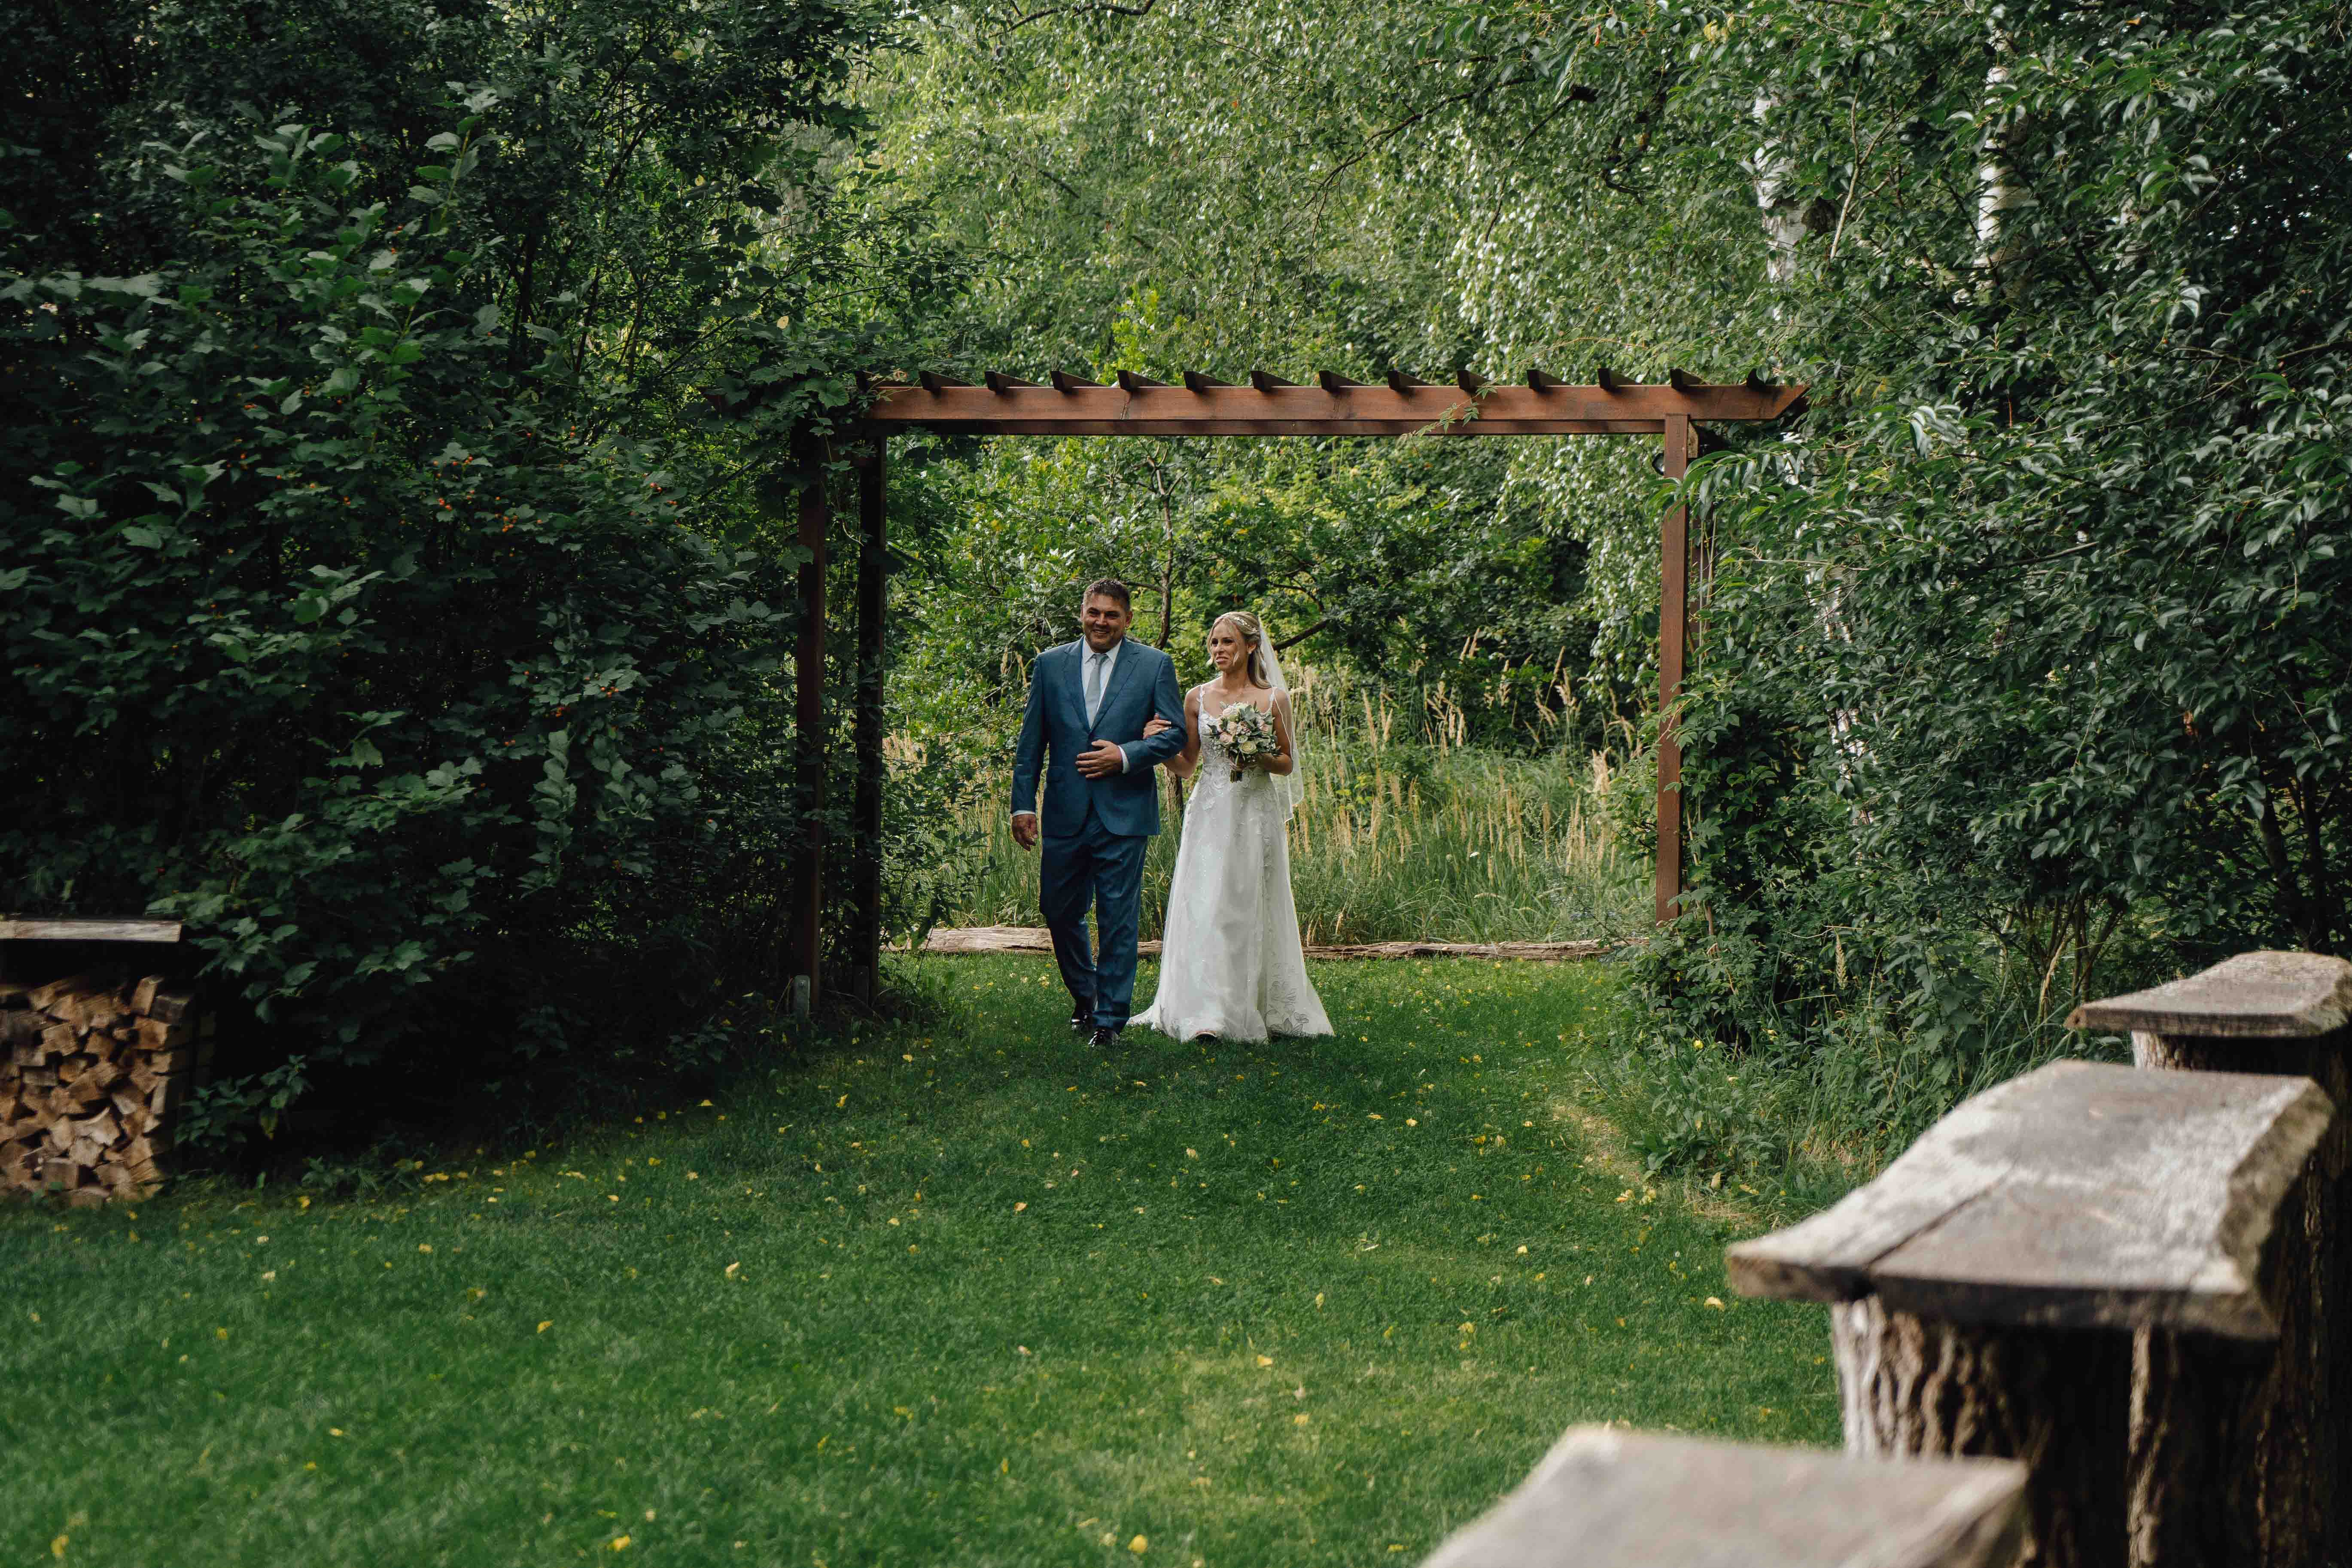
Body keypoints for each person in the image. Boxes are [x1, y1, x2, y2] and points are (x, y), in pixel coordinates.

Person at [1132, 612, 1333, 1043]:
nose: (1218, 650)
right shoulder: (1196, 698)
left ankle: (1254, 1002)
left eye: (1226, 642)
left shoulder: (1275, 699)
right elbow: (1185, 767)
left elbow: (1286, 763)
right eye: (1213, 643)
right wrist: (1154, 747)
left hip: (1254, 813)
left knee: (1247, 903)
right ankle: (1206, 1012)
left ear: (1249, 647)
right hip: (1209, 811)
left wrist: (1254, 755)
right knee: (1208, 904)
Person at [1010, 579, 1189, 1047]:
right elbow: (1032, 743)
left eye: (1112, 614)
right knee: (1058, 909)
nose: (1101, 622)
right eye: (1094, 612)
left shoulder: (1154, 665)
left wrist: (1126, 755)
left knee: (1117, 917)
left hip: (1124, 811)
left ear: (1128, 619)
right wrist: (1023, 805)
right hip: (1066, 811)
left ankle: (1110, 1019)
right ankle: (1087, 993)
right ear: (1082, 614)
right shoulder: (1050, 665)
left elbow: (1174, 737)